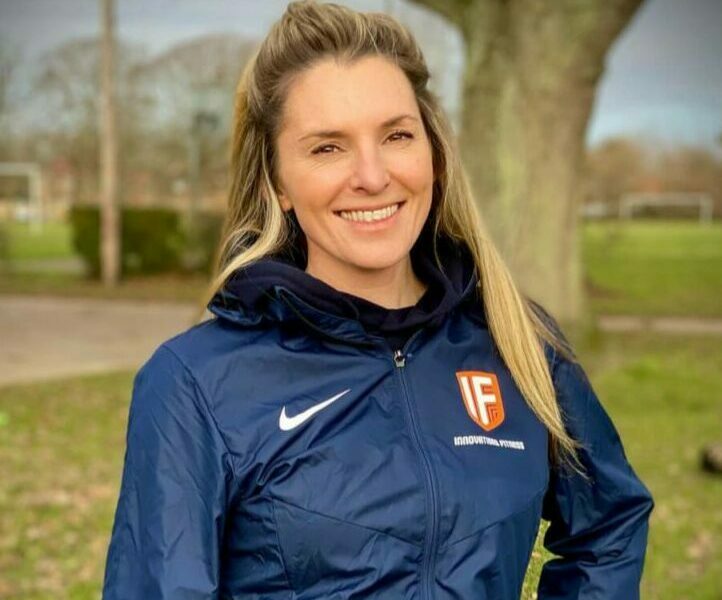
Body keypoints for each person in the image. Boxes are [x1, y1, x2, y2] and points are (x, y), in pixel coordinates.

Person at [102, 2, 654, 598]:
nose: (372, 175)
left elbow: (610, 524)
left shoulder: (519, 341)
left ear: (433, 154)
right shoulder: (193, 383)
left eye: (396, 135)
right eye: (327, 148)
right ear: (279, 183)